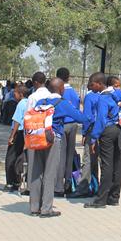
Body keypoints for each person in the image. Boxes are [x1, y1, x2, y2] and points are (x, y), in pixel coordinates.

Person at [26, 77, 88, 217]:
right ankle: (46, 209)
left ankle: (34, 207)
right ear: (62, 89)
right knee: (50, 173)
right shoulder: (62, 103)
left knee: (36, 172)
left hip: (38, 139)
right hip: (53, 140)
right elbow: (81, 118)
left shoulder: (42, 102)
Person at [84, 72, 121, 209]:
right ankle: (114, 197)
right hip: (119, 130)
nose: (90, 87)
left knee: (107, 165)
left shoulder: (103, 98)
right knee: (118, 164)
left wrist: (94, 137)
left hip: (107, 132)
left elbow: (101, 120)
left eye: (92, 84)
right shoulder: (115, 95)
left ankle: (101, 200)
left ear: (100, 84)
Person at [70, 79, 100, 198]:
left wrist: (84, 133)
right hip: (103, 130)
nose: (87, 86)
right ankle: (96, 185)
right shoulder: (104, 96)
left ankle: (83, 188)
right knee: (97, 160)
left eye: (89, 83)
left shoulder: (90, 97)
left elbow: (87, 117)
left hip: (91, 130)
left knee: (87, 159)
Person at [55, 67, 82, 195]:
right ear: (68, 77)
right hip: (73, 124)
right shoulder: (73, 92)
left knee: (61, 155)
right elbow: (76, 107)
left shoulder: (58, 91)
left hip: (61, 125)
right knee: (70, 155)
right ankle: (69, 184)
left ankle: (59, 186)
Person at [4, 84, 28, 192]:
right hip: (26, 133)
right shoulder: (29, 102)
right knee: (20, 157)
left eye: (15, 93)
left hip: (18, 133)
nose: (14, 95)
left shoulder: (21, 104)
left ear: (20, 94)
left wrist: (11, 136)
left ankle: (10, 182)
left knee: (10, 158)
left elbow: (17, 121)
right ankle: (18, 180)